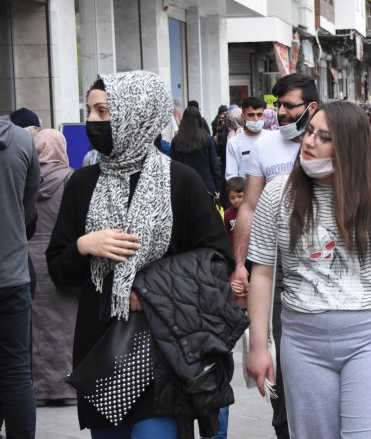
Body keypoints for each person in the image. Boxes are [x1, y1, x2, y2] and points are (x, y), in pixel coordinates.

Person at [46, 71, 235, 437]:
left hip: (165, 350)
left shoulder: (181, 182)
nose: (92, 121)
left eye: (103, 112)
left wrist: (149, 290)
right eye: (90, 111)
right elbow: (58, 269)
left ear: (135, 113)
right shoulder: (82, 183)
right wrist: (84, 247)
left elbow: (217, 258)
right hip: (101, 350)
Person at [245, 101, 371, 438]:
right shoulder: (278, 193)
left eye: (324, 137)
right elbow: (263, 273)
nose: (310, 141)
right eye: (311, 131)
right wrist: (259, 345)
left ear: (348, 147)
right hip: (302, 342)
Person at [231, 73, 320, 439]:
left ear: (310, 108)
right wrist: (241, 263)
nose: (280, 113)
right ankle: (285, 425)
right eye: (277, 105)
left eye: (289, 106)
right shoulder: (265, 147)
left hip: (327, 266)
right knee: (284, 355)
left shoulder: (330, 143)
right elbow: (248, 208)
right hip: (278, 269)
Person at [28, 130, 77, 405]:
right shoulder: (71, 179)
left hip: (29, 258)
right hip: (62, 257)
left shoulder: (27, 178)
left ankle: (39, 387)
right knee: (66, 324)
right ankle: (65, 386)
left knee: (36, 326)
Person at [0, 114, 40, 438]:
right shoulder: (22, 141)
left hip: (12, 274)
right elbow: (29, 212)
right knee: (16, 370)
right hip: (12, 274)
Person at [170, 106, 222, 197]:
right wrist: (217, 187)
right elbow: (214, 165)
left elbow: (171, 164)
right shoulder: (207, 139)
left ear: (183, 120)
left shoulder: (176, 140)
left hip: (183, 187)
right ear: (199, 120)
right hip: (206, 186)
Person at [225, 97, 268, 180]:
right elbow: (231, 176)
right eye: (251, 115)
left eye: (259, 114)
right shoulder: (233, 143)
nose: (255, 119)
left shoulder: (272, 137)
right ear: (243, 116)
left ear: (264, 115)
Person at [223, 176, 245, 246]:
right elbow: (227, 233)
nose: (236, 200)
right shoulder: (227, 214)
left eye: (239, 196)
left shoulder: (252, 211)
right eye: (232, 198)